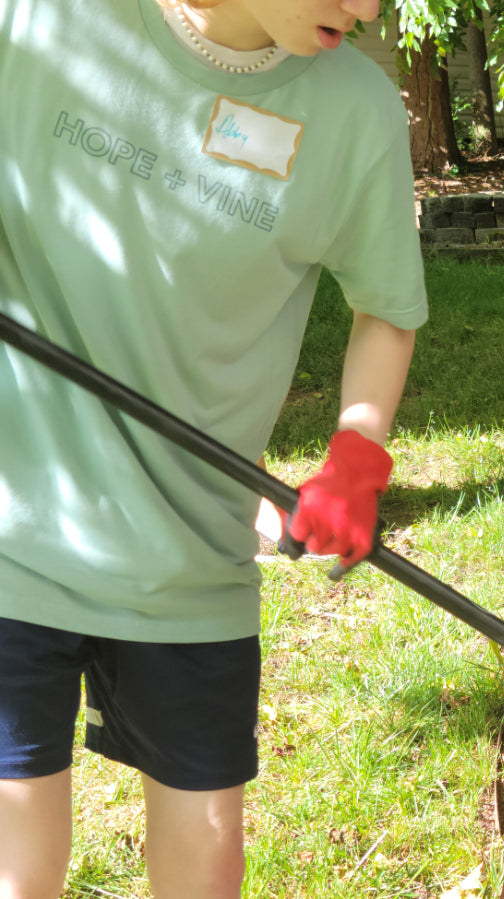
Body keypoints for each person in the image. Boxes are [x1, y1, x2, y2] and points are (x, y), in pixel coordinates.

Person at [0, 0, 427, 896]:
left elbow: (386, 304)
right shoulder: (41, 17)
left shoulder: (357, 111)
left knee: (203, 865)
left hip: (193, 563)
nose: (369, 6)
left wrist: (358, 455)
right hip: (13, 540)